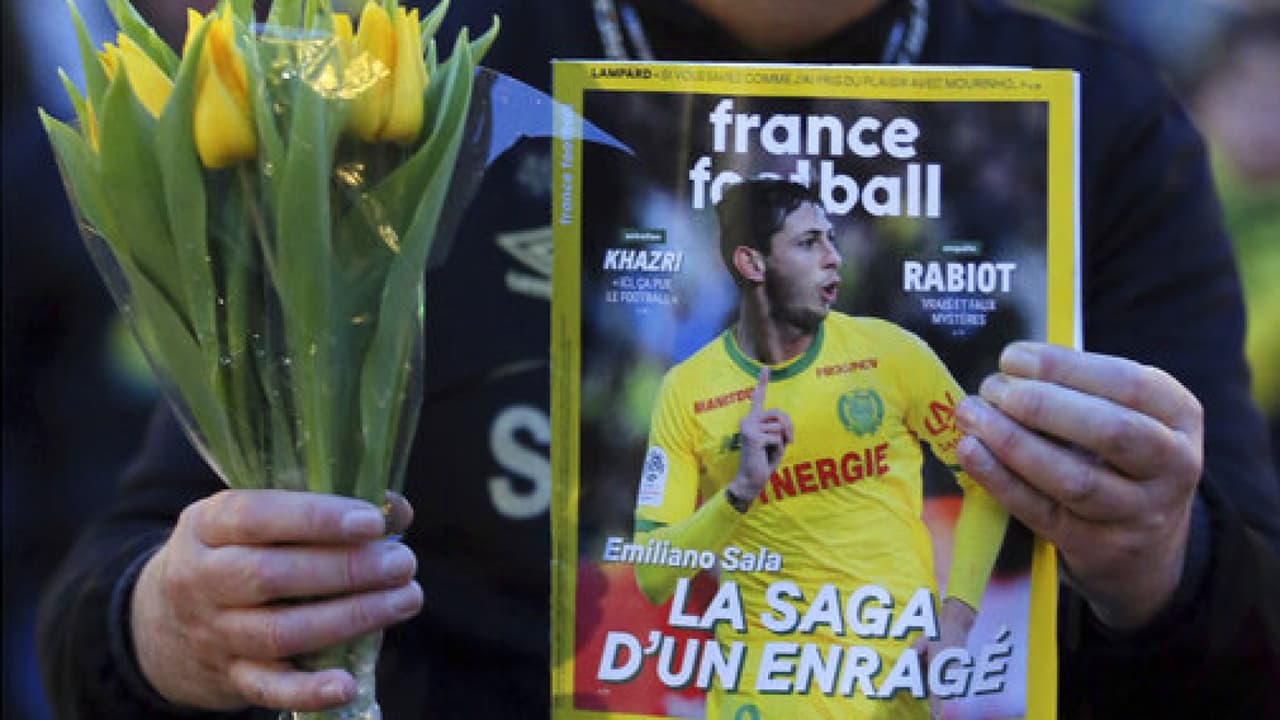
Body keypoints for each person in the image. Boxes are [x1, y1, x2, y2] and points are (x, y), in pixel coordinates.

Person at [37, 0, 1280, 718]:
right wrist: (175, 624)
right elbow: (113, 596)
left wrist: (1155, 562)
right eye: (797, 242)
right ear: (741, 261)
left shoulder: (1099, 125)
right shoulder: (396, 80)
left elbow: (1248, 637)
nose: (822, 261)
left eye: (828, 241)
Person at [629, 179, 1008, 718]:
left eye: (831, 239)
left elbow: (987, 476)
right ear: (752, 263)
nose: (834, 258)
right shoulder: (686, 390)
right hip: (759, 696)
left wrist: (957, 619)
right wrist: (739, 494)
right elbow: (652, 576)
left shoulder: (891, 353)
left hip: (889, 694)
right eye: (809, 243)